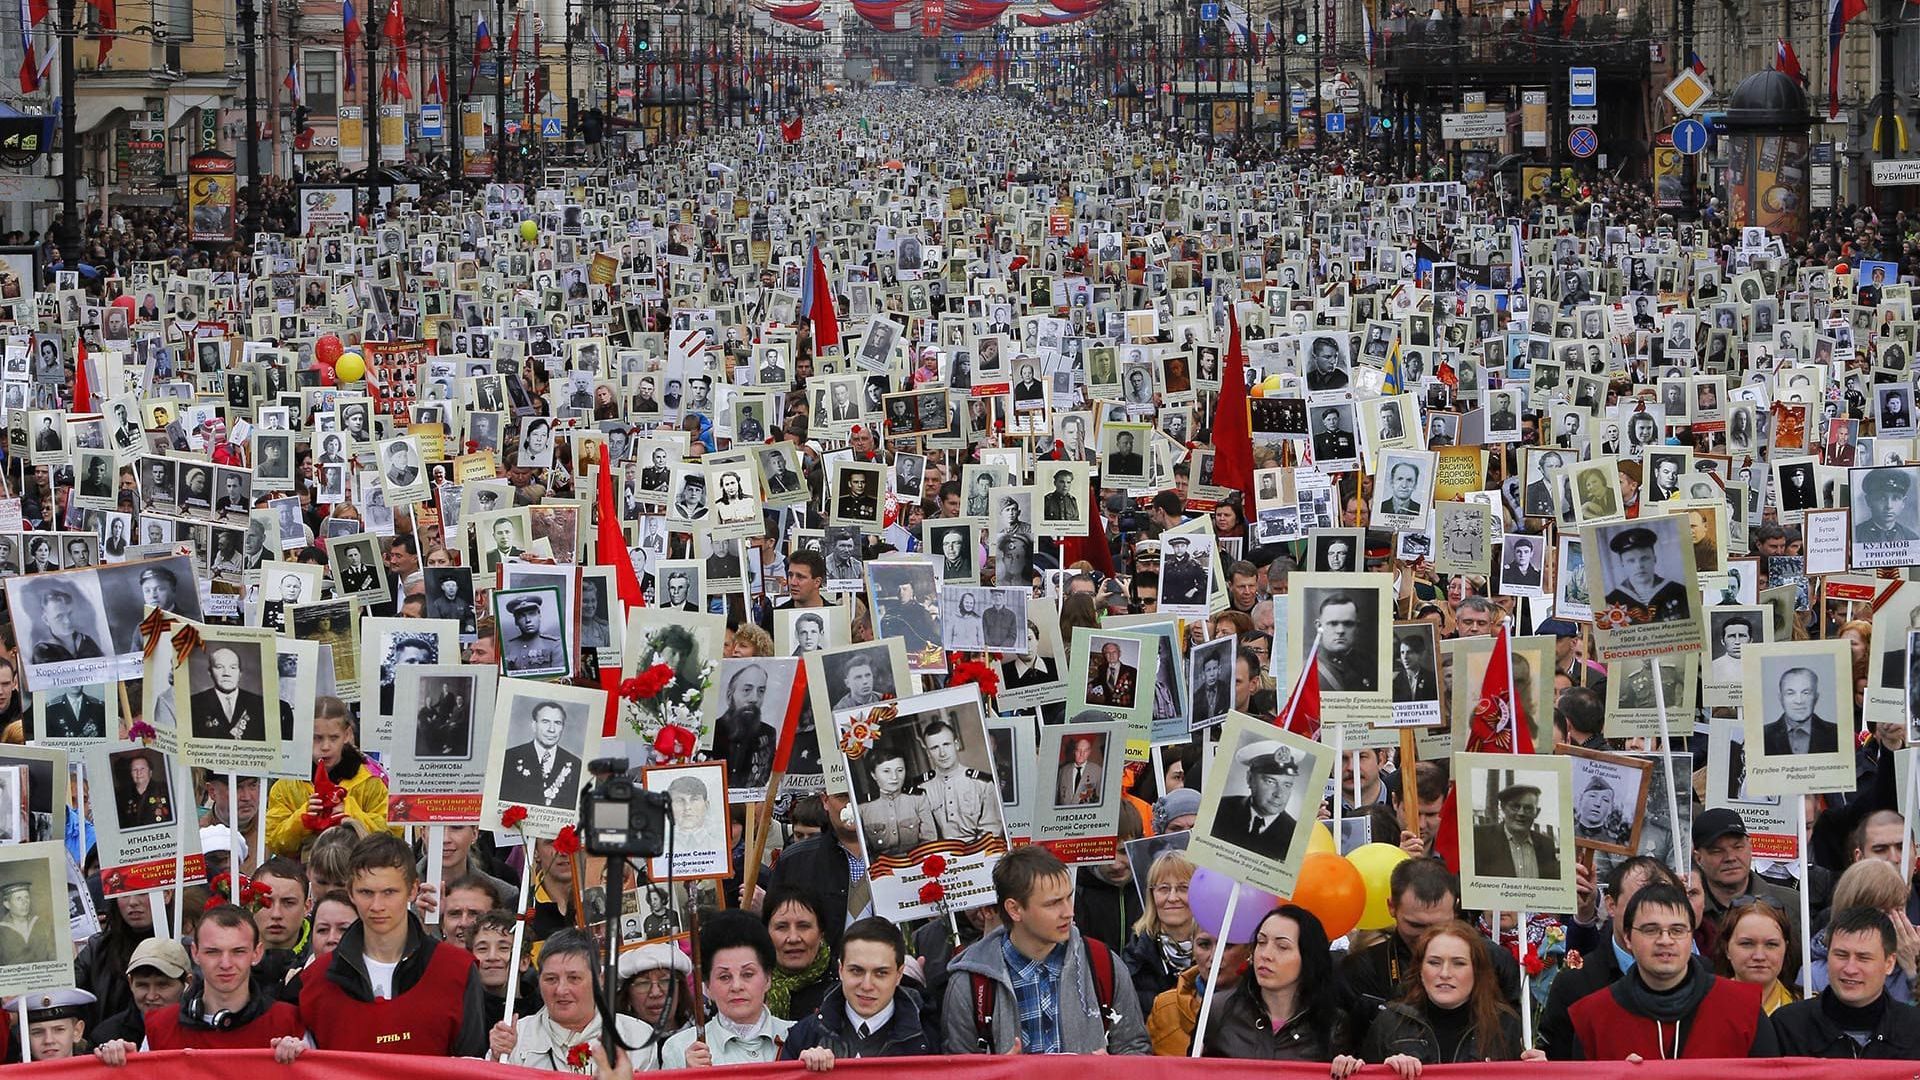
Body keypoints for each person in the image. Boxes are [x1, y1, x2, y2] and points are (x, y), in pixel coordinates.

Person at [281, 834, 489, 1059]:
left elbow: (472, 1063)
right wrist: (290, 1049)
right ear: (350, 892)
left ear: (412, 890)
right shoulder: (316, 981)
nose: (377, 906)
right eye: (366, 892)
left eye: (389, 892)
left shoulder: (457, 971)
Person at [942, 844, 1150, 1054]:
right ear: (1014, 909)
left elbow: (1134, 1048)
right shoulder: (971, 983)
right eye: (1053, 904)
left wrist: (1111, 1071)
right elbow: (958, 1069)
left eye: (1069, 897)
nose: (1068, 912)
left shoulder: (1103, 964)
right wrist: (998, 1073)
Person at [1566, 881, 1779, 1058]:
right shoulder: (1593, 1018)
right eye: (1651, 930)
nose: (1665, 940)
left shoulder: (1743, 1008)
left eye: (1677, 930)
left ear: (1691, 936)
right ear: (1628, 938)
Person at [95, 905, 304, 1060]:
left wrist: (300, 1058)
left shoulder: (288, 1023)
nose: (225, 963)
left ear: (256, 953)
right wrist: (119, 1063)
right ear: (195, 953)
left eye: (238, 951)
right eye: (213, 952)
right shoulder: (160, 1026)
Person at [1336, 921, 1541, 1071]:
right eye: (1434, 962)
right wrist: (1380, 1071)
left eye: (1458, 963)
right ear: (1419, 969)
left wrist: (1542, 1072)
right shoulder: (1389, 1022)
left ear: (1477, 971)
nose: (1444, 973)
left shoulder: (1506, 1026)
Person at [488, 928, 652, 1069]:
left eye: (574, 978)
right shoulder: (513, 1038)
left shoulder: (637, 1037)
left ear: (600, 980)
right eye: (551, 979)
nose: (561, 990)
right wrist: (496, 1059)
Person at [780, 916, 936, 1064]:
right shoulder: (804, 1036)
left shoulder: (929, 1037)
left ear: (899, 975)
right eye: (856, 971)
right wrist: (804, 1074)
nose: (867, 985)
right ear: (841, 970)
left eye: (881, 973)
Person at [1772, 906, 1920, 1057]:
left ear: (1889, 963)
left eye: (1863, 958)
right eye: (1841, 955)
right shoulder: (1788, 1027)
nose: (1850, 969)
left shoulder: (1915, 1029)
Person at [264, 697, 394, 857]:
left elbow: (391, 835)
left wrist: (350, 812)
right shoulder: (287, 783)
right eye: (317, 738)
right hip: (305, 875)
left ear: (346, 735)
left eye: (333, 738)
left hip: (359, 873)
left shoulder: (370, 780)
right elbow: (274, 841)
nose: (325, 747)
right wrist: (302, 819)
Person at [661, 910, 793, 1066]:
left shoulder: (801, 1036)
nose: (736, 986)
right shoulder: (680, 1048)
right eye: (724, 977)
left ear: (768, 979)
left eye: (748, 974)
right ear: (708, 986)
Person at [1120, 850, 1197, 1019]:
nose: (1172, 897)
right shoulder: (1135, 955)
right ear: (1152, 895)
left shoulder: (1217, 951)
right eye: (1163, 888)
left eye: (1183, 888)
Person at [914, 718, 1004, 842]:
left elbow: (991, 830)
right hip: (940, 854)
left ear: (956, 744)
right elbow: (924, 836)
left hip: (979, 850)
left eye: (946, 744)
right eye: (935, 748)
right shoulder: (921, 789)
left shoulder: (983, 784)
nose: (942, 753)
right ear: (928, 752)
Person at [1210, 740, 1301, 858]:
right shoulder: (1219, 809)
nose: (1279, 794)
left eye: (1287, 785)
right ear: (1249, 779)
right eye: (1270, 781)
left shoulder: (1295, 834)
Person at [1711, 899, 1800, 1015]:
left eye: (1771, 944)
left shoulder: (1807, 1007)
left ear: (1786, 948)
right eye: (1747, 944)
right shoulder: (1703, 1007)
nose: (1759, 956)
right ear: (1726, 948)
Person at [498, 701, 583, 809]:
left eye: (557, 723)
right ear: (534, 725)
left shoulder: (576, 764)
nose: (551, 729)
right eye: (545, 722)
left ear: (563, 728)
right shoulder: (509, 758)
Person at [858, 746, 938, 857]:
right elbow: (862, 851)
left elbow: (930, 839)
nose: (895, 777)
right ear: (874, 775)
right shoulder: (862, 806)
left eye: (900, 770)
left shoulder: (918, 798)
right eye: (886, 771)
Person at [1471, 783, 1560, 881]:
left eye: (1528, 808)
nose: (1521, 813)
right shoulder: (1480, 838)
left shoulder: (1546, 845)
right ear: (1503, 808)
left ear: (1537, 812)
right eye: (1515, 807)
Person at [1603, 526, 1690, 623]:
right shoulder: (1611, 601)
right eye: (1631, 561)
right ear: (1622, 564)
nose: (1639, 566)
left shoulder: (1679, 592)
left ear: (1654, 559)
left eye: (1644, 559)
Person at [1761, 666, 1841, 755]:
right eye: (1790, 693)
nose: (1799, 701)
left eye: (1806, 693)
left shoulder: (1837, 734)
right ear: (1781, 698)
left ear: (1816, 697)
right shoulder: (1763, 735)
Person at [1312, 592, 1376, 691]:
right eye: (1333, 623)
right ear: (1319, 626)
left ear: (1357, 627)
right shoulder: (1309, 668)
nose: (1340, 630)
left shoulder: (1370, 665)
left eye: (1348, 624)